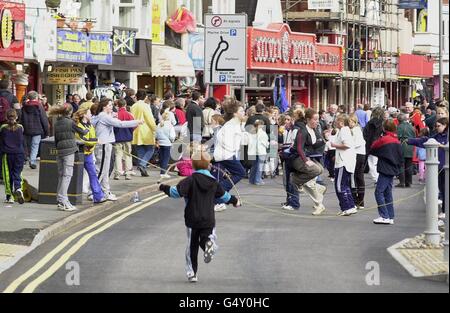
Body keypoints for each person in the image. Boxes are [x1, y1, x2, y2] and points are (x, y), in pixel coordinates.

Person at [159, 151, 240, 283]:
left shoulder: (189, 180)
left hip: (192, 218)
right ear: (208, 165)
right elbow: (224, 196)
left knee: (192, 246)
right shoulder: (213, 182)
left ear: (193, 166)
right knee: (206, 237)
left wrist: (163, 187)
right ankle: (210, 244)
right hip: (208, 218)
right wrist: (235, 201)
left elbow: (175, 192)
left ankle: (192, 273)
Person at [92, 98, 143, 200]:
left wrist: (112, 115)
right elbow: (120, 124)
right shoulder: (103, 116)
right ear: (104, 106)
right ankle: (93, 192)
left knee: (105, 171)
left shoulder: (103, 116)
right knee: (101, 171)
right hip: (104, 144)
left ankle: (106, 192)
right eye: (110, 105)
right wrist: (137, 121)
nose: (112, 107)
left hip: (106, 144)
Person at [408, 117, 448, 219]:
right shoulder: (436, 136)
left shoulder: (446, 137)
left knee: (445, 189)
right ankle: (444, 210)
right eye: (436, 126)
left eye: (439, 126)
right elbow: (424, 140)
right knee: (442, 189)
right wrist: (409, 141)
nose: (437, 128)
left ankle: (444, 210)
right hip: (439, 167)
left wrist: (441, 146)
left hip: (446, 167)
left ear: (445, 125)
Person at [289, 109, 327, 215]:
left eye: (318, 119)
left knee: (320, 170)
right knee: (313, 173)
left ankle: (309, 185)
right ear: (308, 120)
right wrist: (306, 161)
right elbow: (300, 149)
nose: (317, 121)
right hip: (297, 158)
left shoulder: (314, 130)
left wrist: (325, 140)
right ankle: (297, 181)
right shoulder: (303, 131)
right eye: (315, 119)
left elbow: (316, 144)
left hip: (308, 157)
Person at [212, 100, 247, 212]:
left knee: (223, 176)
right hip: (226, 154)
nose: (243, 112)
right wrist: (232, 149)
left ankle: (219, 200)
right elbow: (222, 139)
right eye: (241, 111)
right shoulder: (231, 125)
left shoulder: (235, 124)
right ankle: (220, 193)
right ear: (235, 113)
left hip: (225, 154)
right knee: (240, 172)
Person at [370, 120, 403, 225]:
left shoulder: (384, 139)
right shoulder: (396, 140)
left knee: (378, 192)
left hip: (385, 168)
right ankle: (390, 216)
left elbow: (373, 147)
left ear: (384, 128)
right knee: (388, 193)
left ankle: (384, 216)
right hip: (393, 168)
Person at [48, 104, 80, 211]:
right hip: (69, 151)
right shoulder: (71, 122)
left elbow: (56, 139)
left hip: (60, 151)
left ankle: (60, 200)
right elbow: (83, 132)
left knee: (61, 176)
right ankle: (63, 200)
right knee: (67, 176)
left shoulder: (57, 123)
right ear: (70, 112)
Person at [73, 108, 107, 204]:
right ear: (84, 115)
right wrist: (96, 141)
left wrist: (95, 141)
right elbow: (83, 141)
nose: (91, 115)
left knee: (93, 174)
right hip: (80, 154)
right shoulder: (79, 126)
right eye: (89, 113)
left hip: (89, 154)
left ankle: (98, 196)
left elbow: (93, 137)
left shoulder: (90, 125)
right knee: (74, 175)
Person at [331, 114, 357, 216]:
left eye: (337, 121)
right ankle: (350, 206)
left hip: (343, 162)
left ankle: (347, 207)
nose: (336, 122)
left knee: (339, 186)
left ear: (341, 122)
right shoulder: (344, 130)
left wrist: (334, 145)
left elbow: (346, 145)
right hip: (344, 161)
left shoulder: (344, 131)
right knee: (345, 185)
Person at [0, 109, 25, 204]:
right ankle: (18, 188)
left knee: (7, 174)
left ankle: (9, 196)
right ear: (16, 117)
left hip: (7, 154)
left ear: (6, 117)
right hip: (19, 153)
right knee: (18, 172)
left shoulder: (3, 128)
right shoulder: (20, 127)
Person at [131, 90, 157, 177]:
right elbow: (149, 119)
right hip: (146, 130)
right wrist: (154, 128)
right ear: (145, 97)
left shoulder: (133, 106)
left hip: (135, 130)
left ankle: (143, 167)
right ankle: (142, 164)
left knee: (140, 150)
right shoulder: (145, 106)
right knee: (150, 149)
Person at [20, 91, 49, 169]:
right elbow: (44, 119)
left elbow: (21, 119)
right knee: (35, 146)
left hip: (26, 129)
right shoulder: (39, 106)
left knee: (26, 145)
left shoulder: (24, 107)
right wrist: (47, 132)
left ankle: (25, 158)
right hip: (37, 129)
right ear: (36, 97)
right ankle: (32, 161)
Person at [279, 113, 300, 211]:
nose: (286, 122)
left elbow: (293, 145)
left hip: (293, 158)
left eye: (289, 119)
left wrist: (285, 148)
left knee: (292, 181)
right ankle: (290, 200)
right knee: (287, 181)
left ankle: (294, 202)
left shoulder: (295, 130)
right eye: (285, 120)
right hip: (286, 158)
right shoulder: (286, 131)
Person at [113, 99, 135, 180]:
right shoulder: (129, 114)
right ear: (125, 104)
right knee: (128, 155)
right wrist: (130, 132)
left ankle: (118, 173)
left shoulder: (115, 115)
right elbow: (134, 125)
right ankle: (128, 173)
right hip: (127, 137)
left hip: (117, 138)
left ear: (117, 105)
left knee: (118, 155)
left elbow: (113, 126)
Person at [349, 113, 366, 209]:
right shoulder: (357, 130)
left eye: (351, 122)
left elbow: (356, 143)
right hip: (359, 154)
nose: (349, 124)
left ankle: (357, 200)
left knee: (355, 177)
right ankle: (359, 201)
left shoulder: (356, 130)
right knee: (358, 177)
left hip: (357, 155)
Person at [363, 107, 385, 183]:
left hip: (371, 144)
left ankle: (376, 178)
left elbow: (365, 134)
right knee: (380, 162)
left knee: (372, 162)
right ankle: (381, 177)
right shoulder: (384, 123)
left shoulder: (370, 123)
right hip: (382, 144)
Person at [396, 113, 416, 188]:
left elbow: (397, 137)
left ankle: (402, 182)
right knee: (409, 165)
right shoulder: (411, 127)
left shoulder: (399, 126)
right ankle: (409, 182)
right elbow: (414, 136)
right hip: (410, 146)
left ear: (398, 120)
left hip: (402, 146)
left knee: (401, 165)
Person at [248, 120, 269, 185]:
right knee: (260, 166)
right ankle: (257, 180)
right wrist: (268, 144)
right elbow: (265, 143)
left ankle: (252, 180)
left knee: (254, 166)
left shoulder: (251, 132)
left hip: (253, 151)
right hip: (261, 151)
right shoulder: (263, 133)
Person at [156, 111, 176, 179]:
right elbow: (172, 136)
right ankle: (163, 172)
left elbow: (156, 134)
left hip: (160, 142)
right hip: (167, 143)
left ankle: (162, 171)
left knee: (161, 158)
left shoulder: (159, 124)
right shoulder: (170, 126)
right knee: (166, 158)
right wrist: (172, 141)